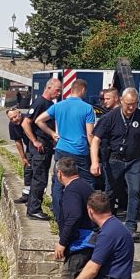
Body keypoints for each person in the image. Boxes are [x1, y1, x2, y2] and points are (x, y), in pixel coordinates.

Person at [89, 87, 140, 242]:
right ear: (121, 101)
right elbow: (95, 140)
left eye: (134, 104)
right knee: (110, 193)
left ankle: (131, 227)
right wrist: (94, 162)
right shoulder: (110, 117)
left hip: (134, 160)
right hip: (114, 160)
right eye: (128, 104)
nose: (131, 107)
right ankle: (106, 227)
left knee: (134, 192)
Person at [49, 157, 96, 279]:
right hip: (89, 243)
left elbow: (74, 216)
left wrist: (62, 242)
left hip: (79, 245)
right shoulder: (85, 185)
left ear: (59, 173)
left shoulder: (71, 191)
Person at [36, 78, 96, 223]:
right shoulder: (87, 108)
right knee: (87, 183)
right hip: (80, 151)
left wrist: (52, 133)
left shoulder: (59, 106)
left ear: (71, 90)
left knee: (58, 183)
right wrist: (94, 153)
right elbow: (90, 134)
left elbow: (38, 120)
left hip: (61, 150)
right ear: (82, 90)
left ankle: (59, 217)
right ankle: (88, 218)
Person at [22, 77, 62, 221]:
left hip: (46, 145)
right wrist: (35, 141)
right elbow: (26, 123)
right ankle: (34, 209)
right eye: (57, 90)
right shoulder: (40, 103)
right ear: (48, 87)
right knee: (39, 178)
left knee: (41, 178)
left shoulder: (49, 103)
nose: (58, 93)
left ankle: (33, 208)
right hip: (40, 147)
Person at [96, 88, 120, 196]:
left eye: (107, 99)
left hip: (110, 154)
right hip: (108, 153)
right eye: (103, 99)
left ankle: (110, 209)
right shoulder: (107, 115)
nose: (104, 101)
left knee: (110, 185)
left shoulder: (107, 117)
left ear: (116, 98)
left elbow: (95, 136)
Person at [6, 107, 32, 204]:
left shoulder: (28, 119)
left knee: (38, 172)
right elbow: (18, 141)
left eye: (15, 117)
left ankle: (35, 197)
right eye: (11, 119)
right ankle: (26, 194)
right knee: (27, 169)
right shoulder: (12, 125)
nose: (14, 120)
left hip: (38, 144)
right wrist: (23, 158)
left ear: (20, 113)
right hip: (29, 146)